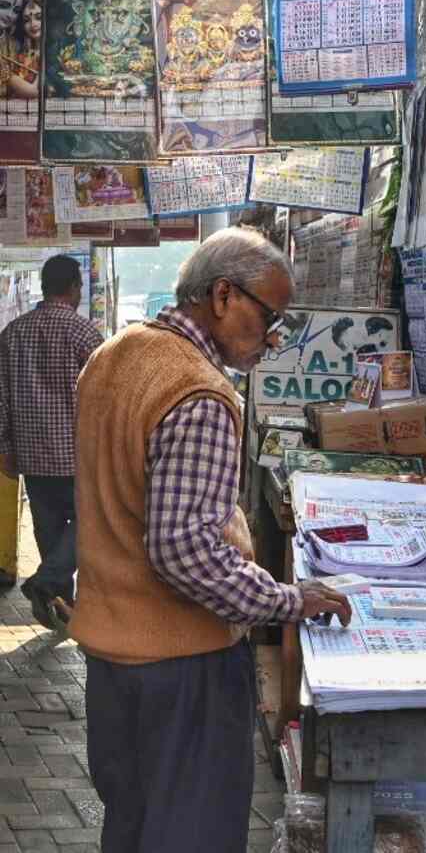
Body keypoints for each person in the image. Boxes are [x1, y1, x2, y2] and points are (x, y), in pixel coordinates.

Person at [69, 227, 352, 853]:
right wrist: (288, 600)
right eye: (269, 315)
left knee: (133, 827)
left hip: (114, 659)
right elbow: (185, 551)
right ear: (223, 295)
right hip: (182, 668)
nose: (273, 336)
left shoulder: (113, 355)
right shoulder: (198, 391)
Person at [0, 254, 102, 628]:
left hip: (31, 454)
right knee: (90, 523)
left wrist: (4, 448)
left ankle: (56, 604)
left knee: (49, 531)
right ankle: (48, 585)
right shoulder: (84, 333)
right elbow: (106, 393)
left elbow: (1, 398)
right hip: (78, 455)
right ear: (74, 287)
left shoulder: (13, 333)